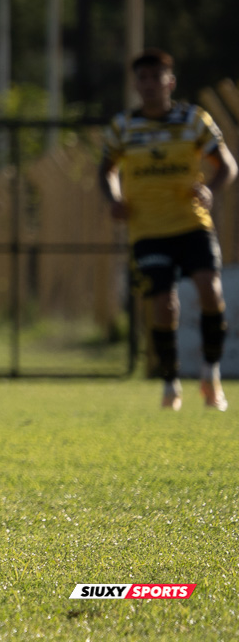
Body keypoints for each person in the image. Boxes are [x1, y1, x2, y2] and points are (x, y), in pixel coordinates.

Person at [100, 49, 237, 411]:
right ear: (135, 84)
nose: (149, 85)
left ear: (170, 82)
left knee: (210, 289)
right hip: (148, 231)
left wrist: (210, 188)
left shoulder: (193, 120)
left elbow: (227, 166)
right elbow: (107, 170)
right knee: (164, 304)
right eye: (142, 78)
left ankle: (210, 374)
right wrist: (114, 198)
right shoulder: (123, 126)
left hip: (192, 225)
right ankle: (170, 383)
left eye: (155, 77)